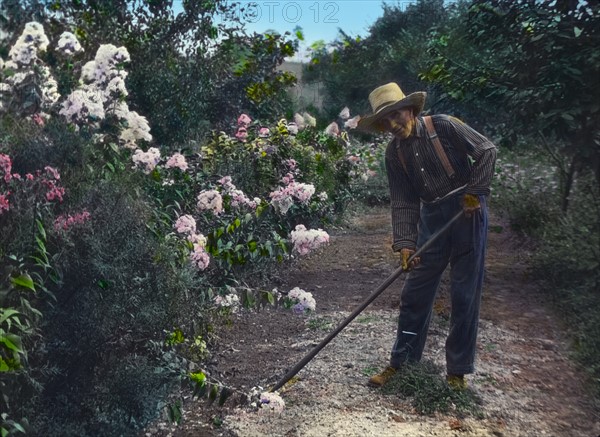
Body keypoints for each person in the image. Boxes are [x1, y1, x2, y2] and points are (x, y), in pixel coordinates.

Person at [356, 82, 497, 390]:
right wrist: (406, 245)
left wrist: (474, 192)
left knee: (464, 294)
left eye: (397, 115)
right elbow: (404, 202)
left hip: (466, 212)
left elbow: (487, 150)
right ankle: (402, 364)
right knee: (414, 294)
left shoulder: (444, 126)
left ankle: (456, 372)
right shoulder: (394, 154)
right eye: (385, 121)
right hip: (431, 218)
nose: (393, 124)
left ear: (410, 109)